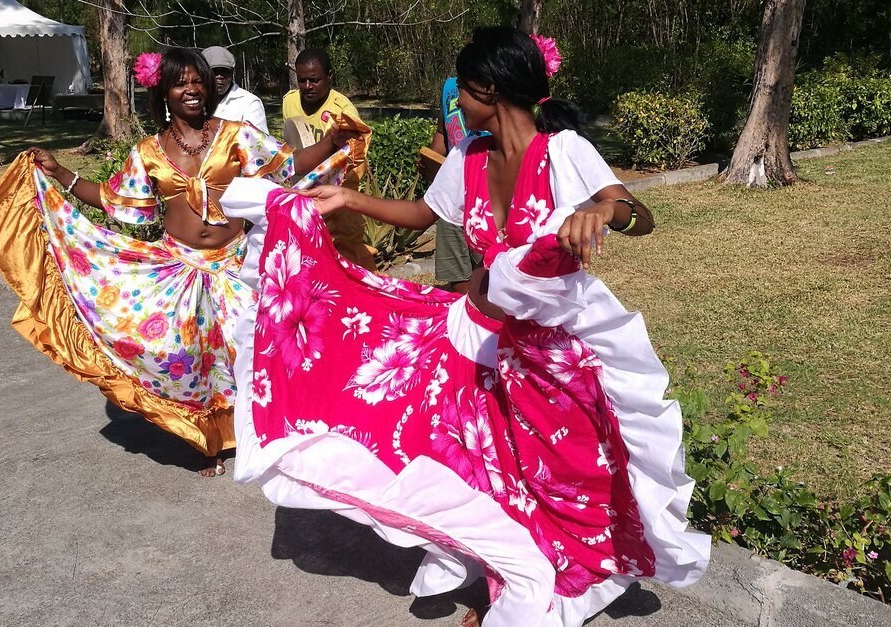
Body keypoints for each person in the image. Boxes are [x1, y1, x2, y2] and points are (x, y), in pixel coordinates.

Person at [224, 27, 708, 626]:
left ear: (489, 89)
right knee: (482, 467)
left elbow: (641, 215)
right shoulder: (469, 156)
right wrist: (348, 201)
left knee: (562, 474)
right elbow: (421, 214)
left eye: (461, 90)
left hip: (551, 352)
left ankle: (570, 573)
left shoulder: (564, 152)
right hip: (476, 337)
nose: (453, 101)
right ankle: (503, 568)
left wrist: (604, 210)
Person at [0, 47, 367, 477]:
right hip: (180, 269)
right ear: (164, 92)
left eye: (197, 80)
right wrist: (60, 173)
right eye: (181, 82)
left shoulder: (235, 135)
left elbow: (288, 165)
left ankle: (266, 430)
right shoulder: (148, 152)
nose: (192, 89)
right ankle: (209, 443)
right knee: (193, 358)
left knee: (252, 350)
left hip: (236, 264)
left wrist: (331, 143)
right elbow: (112, 200)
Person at [281, 47, 376, 270]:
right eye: (302, 80)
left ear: (330, 76)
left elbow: (354, 163)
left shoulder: (344, 112)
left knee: (346, 262)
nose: (307, 86)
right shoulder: (289, 101)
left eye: (314, 80)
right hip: (304, 196)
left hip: (338, 200)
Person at [422, 76, 483, 293]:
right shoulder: (449, 87)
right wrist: (432, 157)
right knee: (457, 274)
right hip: (453, 193)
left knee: (487, 269)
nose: (458, 101)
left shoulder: (496, 87)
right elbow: (443, 130)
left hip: (486, 197)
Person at [202, 45, 268, 133]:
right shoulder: (192, 100)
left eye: (225, 72)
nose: (220, 76)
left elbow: (258, 139)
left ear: (232, 73)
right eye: (214, 71)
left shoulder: (250, 103)